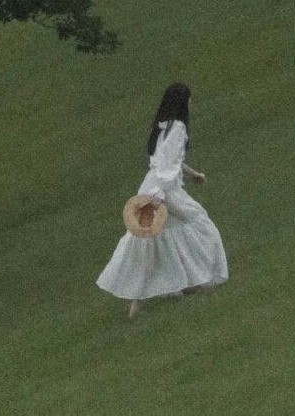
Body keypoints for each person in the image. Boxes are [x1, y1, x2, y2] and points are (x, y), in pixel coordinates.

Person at [96, 83, 228, 318]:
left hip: (151, 187)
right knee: (199, 222)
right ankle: (201, 278)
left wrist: (193, 175)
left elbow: (166, 161)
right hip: (164, 191)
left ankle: (152, 295)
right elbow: (167, 168)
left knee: (149, 240)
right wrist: (157, 199)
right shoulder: (178, 128)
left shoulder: (162, 126)